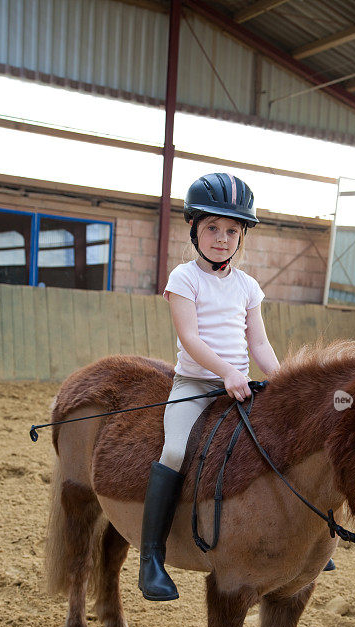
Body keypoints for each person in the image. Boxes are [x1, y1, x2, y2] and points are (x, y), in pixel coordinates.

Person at [138, 173, 333, 602]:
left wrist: (285, 382)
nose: (222, 238)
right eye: (212, 228)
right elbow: (191, 338)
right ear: (195, 230)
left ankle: (311, 533)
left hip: (239, 384)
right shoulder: (183, 279)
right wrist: (227, 371)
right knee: (173, 451)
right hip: (195, 383)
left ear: (242, 236)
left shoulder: (247, 287)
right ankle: (150, 557)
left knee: (287, 442)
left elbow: (258, 342)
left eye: (232, 230)